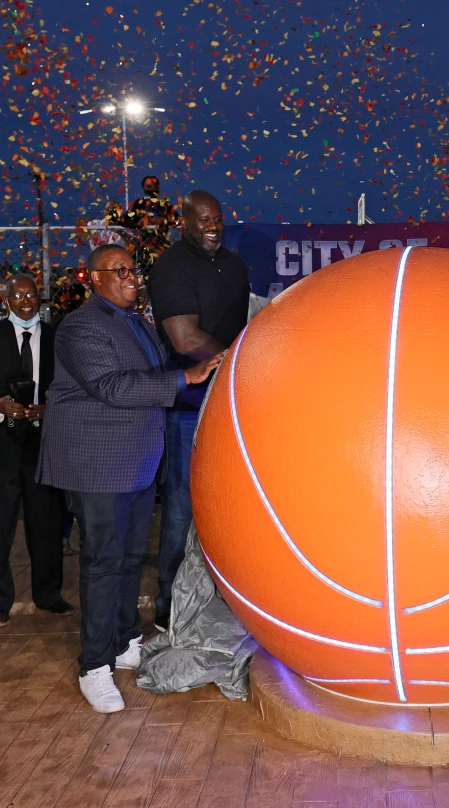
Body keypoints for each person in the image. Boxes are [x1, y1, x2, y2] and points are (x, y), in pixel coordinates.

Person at [36, 244, 222, 713]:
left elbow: (153, 382)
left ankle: (122, 643)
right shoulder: (81, 326)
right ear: (94, 279)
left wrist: (203, 385)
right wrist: (187, 378)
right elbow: (112, 387)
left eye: (133, 269)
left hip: (138, 460)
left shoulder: (136, 322)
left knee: (129, 557)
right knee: (103, 563)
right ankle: (94, 666)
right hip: (98, 464)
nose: (131, 277)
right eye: (119, 271)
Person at [149, 190, 250, 633]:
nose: (213, 225)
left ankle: (229, 597)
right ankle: (169, 604)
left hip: (229, 402)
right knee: (181, 506)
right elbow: (185, 339)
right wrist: (237, 359)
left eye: (218, 218)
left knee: (232, 506)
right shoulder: (171, 266)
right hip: (188, 406)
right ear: (184, 222)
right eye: (203, 218)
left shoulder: (234, 263)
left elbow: (243, 324)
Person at [0, 274, 72, 627]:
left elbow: (72, 386)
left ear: (40, 298)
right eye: (18, 295)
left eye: (31, 294)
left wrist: (51, 408)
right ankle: (0, 603)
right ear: (6, 300)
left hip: (45, 443)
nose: (26, 301)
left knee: (46, 523)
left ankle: (49, 595)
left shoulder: (59, 338)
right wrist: (1, 405)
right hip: (3, 446)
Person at [120, 176, 179, 278]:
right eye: (148, 186)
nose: (152, 188)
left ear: (159, 187)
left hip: (161, 244)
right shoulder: (138, 204)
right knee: (143, 273)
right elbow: (123, 221)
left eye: (154, 185)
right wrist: (141, 224)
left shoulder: (165, 204)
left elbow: (177, 221)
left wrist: (162, 223)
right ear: (143, 187)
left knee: (165, 273)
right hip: (143, 245)